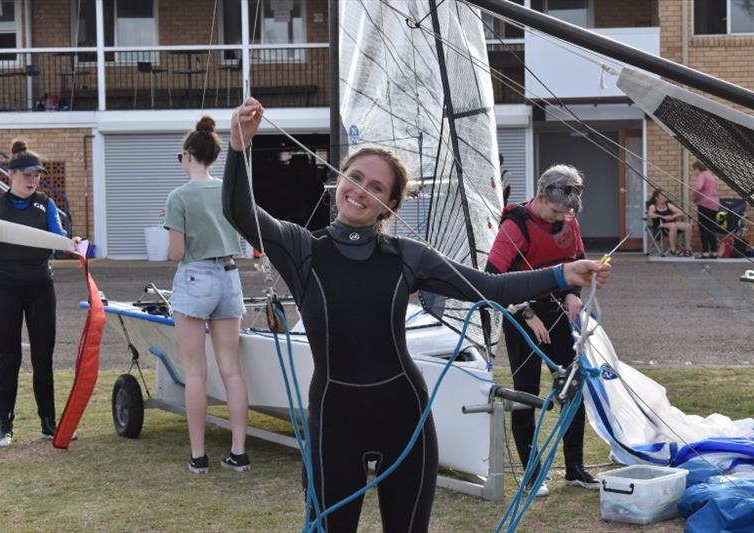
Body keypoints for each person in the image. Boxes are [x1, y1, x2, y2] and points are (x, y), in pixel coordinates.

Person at [223, 98, 611, 531]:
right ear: (338, 182)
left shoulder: (408, 257)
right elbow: (240, 212)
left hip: (405, 418)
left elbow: (491, 287)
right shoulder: (303, 250)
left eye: (376, 187)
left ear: (390, 204)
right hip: (334, 419)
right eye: (355, 178)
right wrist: (238, 147)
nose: (360, 191)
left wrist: (562, 273)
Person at [485, 164, 598, 496]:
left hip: (559, 312)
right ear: (539, 197)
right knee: (527, 393)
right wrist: (526, 313)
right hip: (522, 315)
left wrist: (573, 295)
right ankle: (532, 474)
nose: (558, 218)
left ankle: (575, 469)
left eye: (565, 213)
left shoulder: (568, 220)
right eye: (554, 211)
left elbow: (576, 262)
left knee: (572, 385)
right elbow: (492, 279)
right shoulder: (515, 225)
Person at [164, 116, 250, 474]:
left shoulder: (178, 196)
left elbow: (176, 253)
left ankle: (199, 456)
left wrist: (171, 224)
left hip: (196, 277)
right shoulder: (227, 190)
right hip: (230, 275)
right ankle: (238, 452)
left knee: (195, 372)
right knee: (232, 370)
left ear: (187, 155)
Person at [0, 140, 81, 447]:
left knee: (43, 357)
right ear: (11, 175)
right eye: (27, 175)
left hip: (40, 287)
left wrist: (72, 242)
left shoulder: (45, 204)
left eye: (37, 175)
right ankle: (4, 425)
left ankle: (49, 424)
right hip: (4, 288)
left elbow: (58, 238)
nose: (33, 180)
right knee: (8, 358)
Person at [647, 188, 693, 256]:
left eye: (665, 195)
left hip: (672, 222)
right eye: (662, 196)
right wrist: (663, 217)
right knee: (673, 226)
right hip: (660, 224)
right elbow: (650, 214)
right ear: (657, 198)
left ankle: (687, 249)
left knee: (688, 226)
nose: (665, 197)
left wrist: (672, 217)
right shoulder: (653, 206)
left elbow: (680, 212)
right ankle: (673, 249)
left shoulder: (668, 205)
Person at [691, 161, 720, 259]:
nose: (694, 173)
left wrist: (694, 198)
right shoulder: (710, 175)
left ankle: (705, 252)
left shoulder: (702, 175)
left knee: (704, 229)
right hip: (714, 205)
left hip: (705, 205)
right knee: (712, 229)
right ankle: (714, 252)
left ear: (697, 169)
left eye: (694, 170)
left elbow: (698, 188)